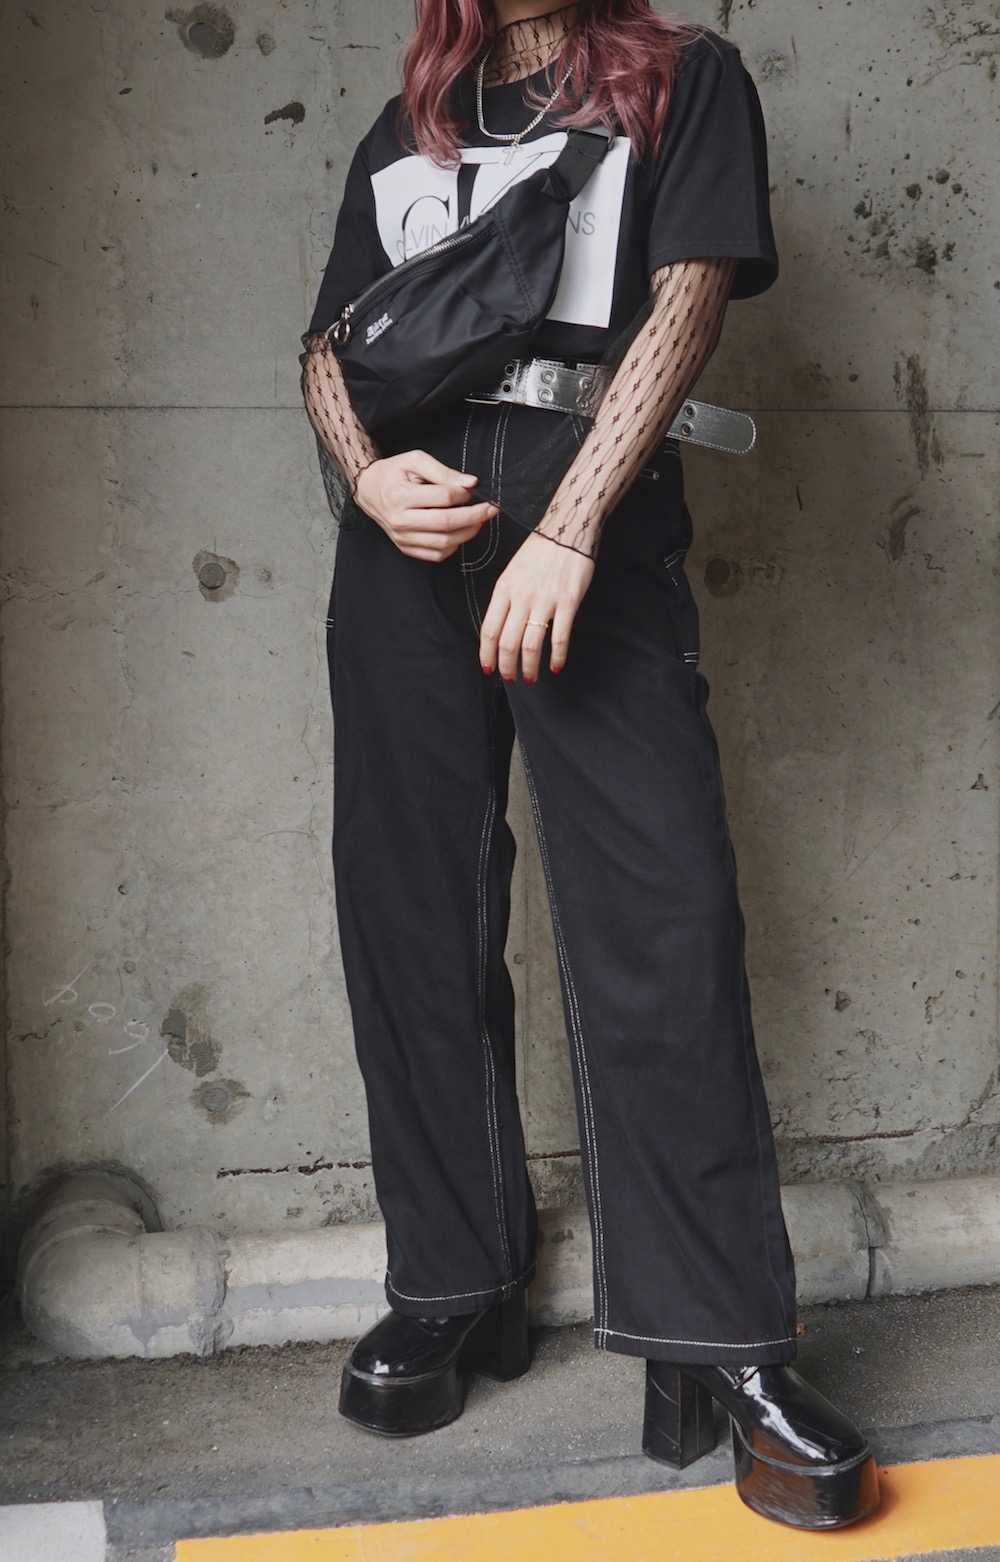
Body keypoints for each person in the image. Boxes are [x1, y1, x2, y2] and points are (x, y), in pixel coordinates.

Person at [301, 0, 881, 1532]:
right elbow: (328, 346)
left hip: (589, 526)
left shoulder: (684, 81)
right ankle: (455, 1281)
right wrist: (365, 478)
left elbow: (686, 302)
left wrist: (568, 527)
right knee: (412, 913)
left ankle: (724, 1341)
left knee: (662, 918)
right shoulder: (412, 126)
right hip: (407, 545)